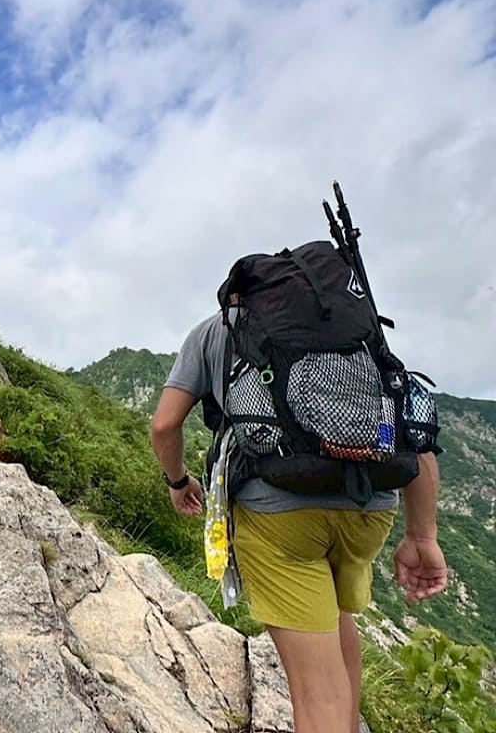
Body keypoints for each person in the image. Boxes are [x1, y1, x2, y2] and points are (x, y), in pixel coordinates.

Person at [151, 311, 448, 733]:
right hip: (369, 506)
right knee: (336, 620)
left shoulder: (217, 330)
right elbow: (410, 421)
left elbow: (164, 425)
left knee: (316, 691)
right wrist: (422, 534)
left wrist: (178, 481)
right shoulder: (348, 315)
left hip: (278, 515)